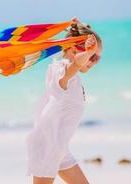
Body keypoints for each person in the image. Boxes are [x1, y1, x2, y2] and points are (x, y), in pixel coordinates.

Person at [25, 19, 102, 184]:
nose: (94, 62)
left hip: (59, 146)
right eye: (93, 56)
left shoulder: (71, 74)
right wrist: (86, 54)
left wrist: (81, 32)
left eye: (97, 58)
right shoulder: (63, 70)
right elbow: (72, 67)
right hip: (48, 144)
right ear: (74, 50)